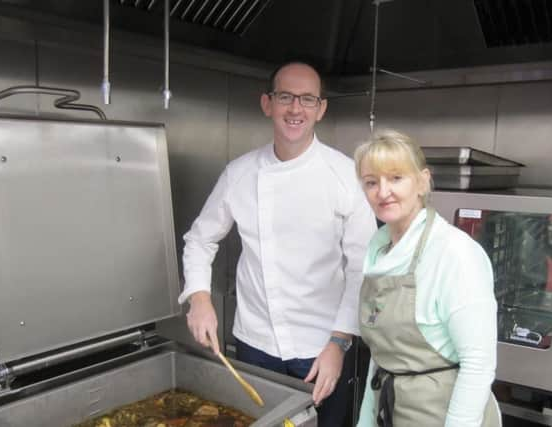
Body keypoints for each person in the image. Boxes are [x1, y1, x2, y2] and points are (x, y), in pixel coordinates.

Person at [179, 61, 377, 426]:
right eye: (285, 97)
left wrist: (340, 344)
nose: (295, 109)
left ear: (321, 109)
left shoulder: (345, 177)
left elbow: (362, 269)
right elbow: (199, 239)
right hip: (254, 343)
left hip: (323, 347)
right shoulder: (239, 174)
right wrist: (200, 297)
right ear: (267, 104)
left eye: (307, 99)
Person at [353, 129, 501, 427]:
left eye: (396, 178)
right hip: (393, 410)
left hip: (445, 415)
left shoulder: (454, 254)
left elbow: (478, 365)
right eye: (371, 182)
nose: (383, 192)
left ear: (422, 182)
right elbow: (384, 353)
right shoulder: (378, 250)